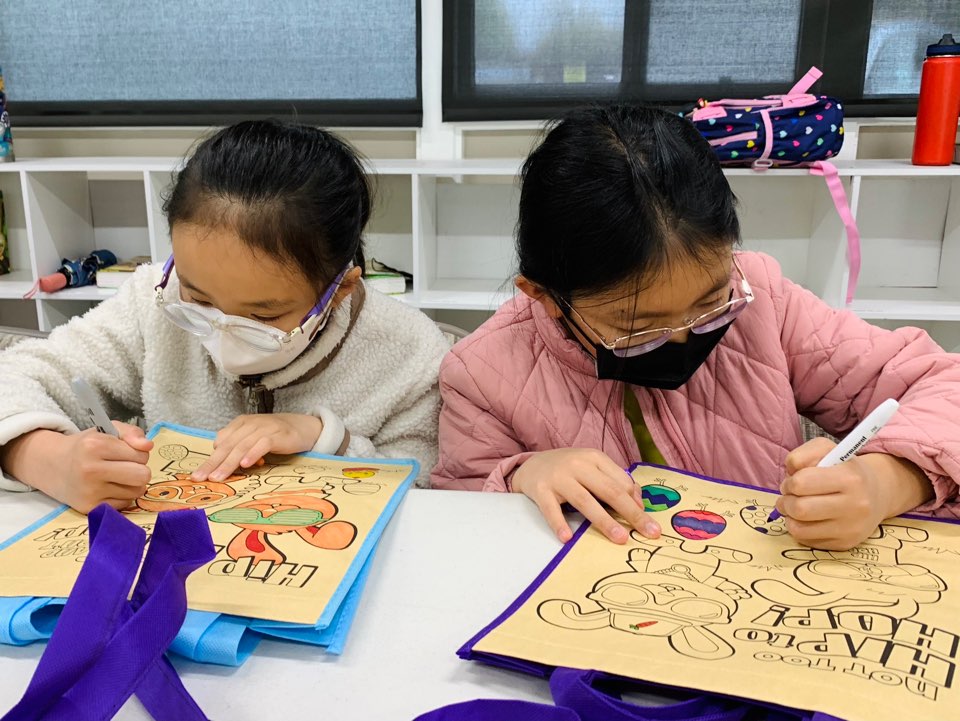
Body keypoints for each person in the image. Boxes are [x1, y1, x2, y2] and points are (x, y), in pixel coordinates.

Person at [432, 105, 960, 551]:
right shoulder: (482, 374)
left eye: (710, 304)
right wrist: (521, 477)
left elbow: (943, 385)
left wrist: (891, 479)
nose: (685, 338)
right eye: (638, 328)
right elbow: (453, 525)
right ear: (545, 297)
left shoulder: (763, 299)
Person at [0, 119, 448, 511]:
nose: (223, 334)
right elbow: (18, 376)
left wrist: (324, 438)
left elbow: (426, 490)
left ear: (339, 290)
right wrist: (43, 457)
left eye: (263, 316)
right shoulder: (150, 302)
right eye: (199, 300)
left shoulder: (408, 352)